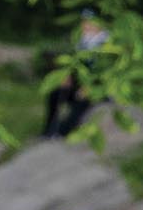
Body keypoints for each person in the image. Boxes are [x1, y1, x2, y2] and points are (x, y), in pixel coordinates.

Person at [43, 9, 107, 140]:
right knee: (55, 93)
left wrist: (89, 87)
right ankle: (49, 130)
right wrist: (68, 76)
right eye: (84, 22)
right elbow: (74, 65)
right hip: (80, 83)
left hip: (97, 87)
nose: (85, 25)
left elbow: (105, 72)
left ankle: (63, 131)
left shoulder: (106, 43)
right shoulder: (82, 42)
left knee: (81, 100)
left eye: (89, 22)